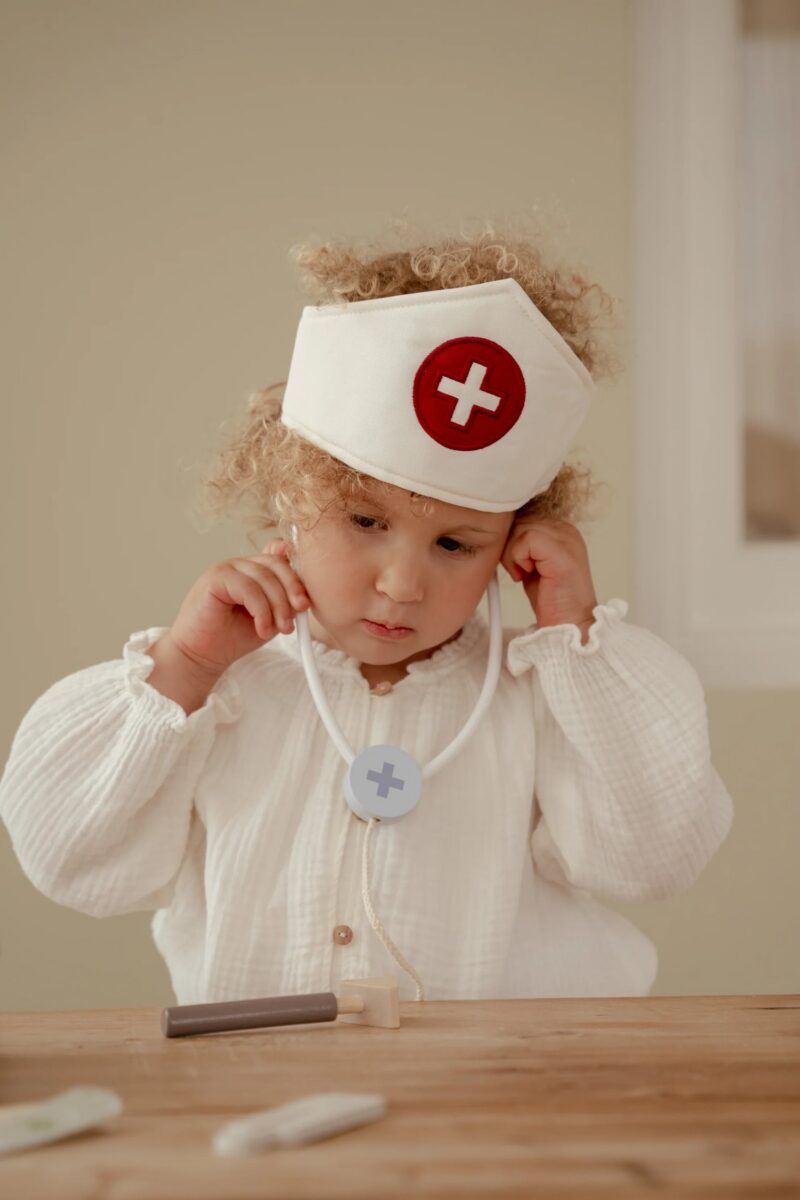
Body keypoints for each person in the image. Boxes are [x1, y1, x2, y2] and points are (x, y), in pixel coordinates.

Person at [0, 220, 734, 1004]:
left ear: (512, 545)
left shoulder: (541, 700)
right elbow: (66, 859)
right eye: (364, 521)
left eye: (455, 544)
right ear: (292, 498)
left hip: (507, 1073)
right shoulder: (218, 692)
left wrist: (574, 633)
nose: (403, 584)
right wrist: (183, 668)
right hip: (255, 1069)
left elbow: (655, 860)